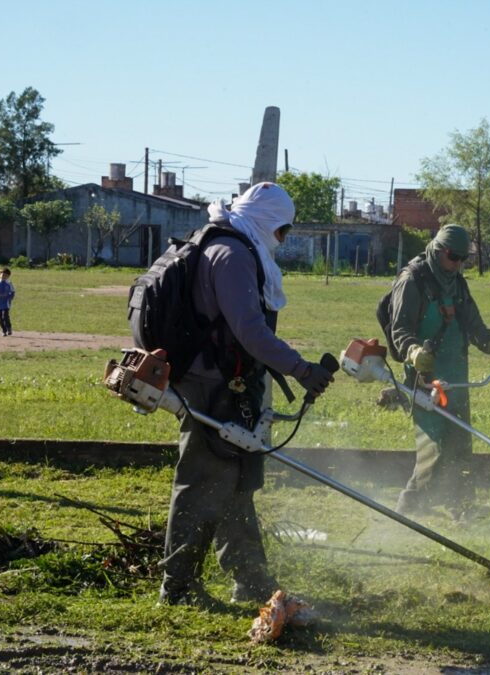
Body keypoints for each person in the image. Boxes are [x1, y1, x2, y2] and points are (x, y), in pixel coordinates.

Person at [158, 182, 334, 607]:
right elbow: (250, 332)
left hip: (225, 381)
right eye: (282, 231)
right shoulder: (233, 255)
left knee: (237, 482)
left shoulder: (231, 245)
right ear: (265, 221)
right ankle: (177, 588)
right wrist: (301, 369)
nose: (283, 240)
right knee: (200, 483)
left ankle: (250, 579)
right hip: (213, 385)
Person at [386, 224, 490, 522]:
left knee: (460, 443)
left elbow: (474, 326)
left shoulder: (457, 283)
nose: (457, 264)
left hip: (456, 376)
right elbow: (400, 330)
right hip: (425, 378)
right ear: (437, 249)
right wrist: (413, 352)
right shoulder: (412, 280)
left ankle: (463, 506)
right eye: (452, 256)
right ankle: (406, 512)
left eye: (463, 259)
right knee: (435, 448)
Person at [0, 267, 15, 336]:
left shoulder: (9, 283)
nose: (3, 276)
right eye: (1, 274)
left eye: (5, 275)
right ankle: (4, 331)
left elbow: (13, 292)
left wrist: (10, 298)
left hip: (6, 303)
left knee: (5, 317)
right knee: (0, 318)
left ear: (8, 276)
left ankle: (9, 328)